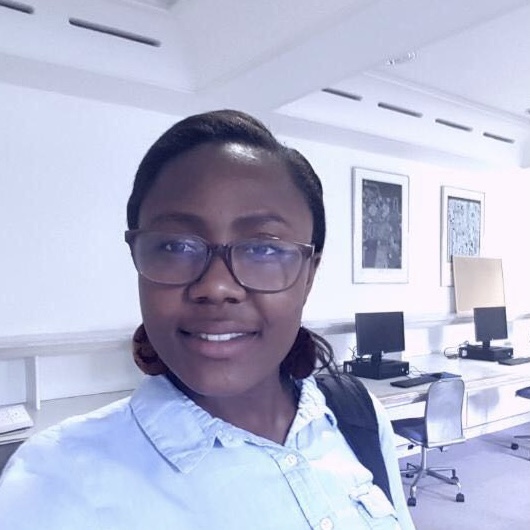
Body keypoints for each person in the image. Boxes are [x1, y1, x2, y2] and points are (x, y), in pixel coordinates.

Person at [0, 110, 415, 530]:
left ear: (309, 274)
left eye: (264, 248)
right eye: (176, 245)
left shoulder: (357, 416)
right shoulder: (55, 482)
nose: (216, 287)